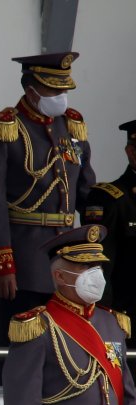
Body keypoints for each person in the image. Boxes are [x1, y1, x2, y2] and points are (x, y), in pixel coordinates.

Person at [0, 51, 96, 346]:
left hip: (68, 261)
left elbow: (87, 193)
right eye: (54, 89)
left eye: (64, 89)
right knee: (22, 348)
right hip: (25, 259)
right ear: (31, 89)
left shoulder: (72, 127)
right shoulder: (4, 128)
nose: (61, 96)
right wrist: (1, 264)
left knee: (66, 347)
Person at [2, 226, 135, 405]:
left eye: (97, 266)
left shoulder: (112, 324)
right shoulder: (37, 326)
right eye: (85, 268)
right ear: (60, 276)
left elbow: (127, 395)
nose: (95, 274)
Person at [83, 118, 136, 342]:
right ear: (132, 152)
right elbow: (99, 267)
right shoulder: (109, 198)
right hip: (128, 322)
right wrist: (104, 324)